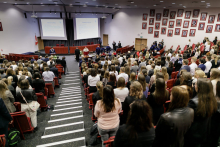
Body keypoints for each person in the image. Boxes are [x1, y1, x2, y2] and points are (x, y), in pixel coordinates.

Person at [184, 78, 218, 147]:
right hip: (206, 134)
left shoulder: (193, 102)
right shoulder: (213, 99)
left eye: (195, 84)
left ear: (199, 87)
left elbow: (187, 120)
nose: (193, 86)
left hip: (194, 135)